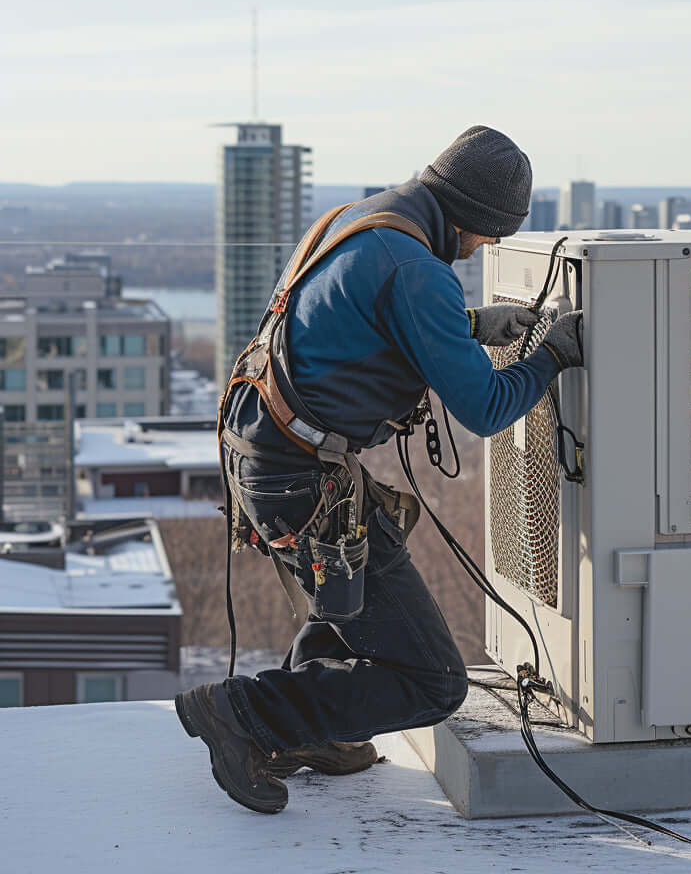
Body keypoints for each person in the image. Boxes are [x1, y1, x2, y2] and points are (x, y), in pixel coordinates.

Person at [175, 125, 584, 813]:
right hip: (299, 475)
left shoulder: (362, 217)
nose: (481, 250)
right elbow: (484, 408)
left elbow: (349, 321)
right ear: (472, 220)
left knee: (352, 601)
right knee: (433, 682)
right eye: (486, 238)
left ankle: (314, 731)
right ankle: (247, 715)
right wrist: (551, 358)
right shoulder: (418, 271)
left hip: (271, 451)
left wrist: (471, 324)